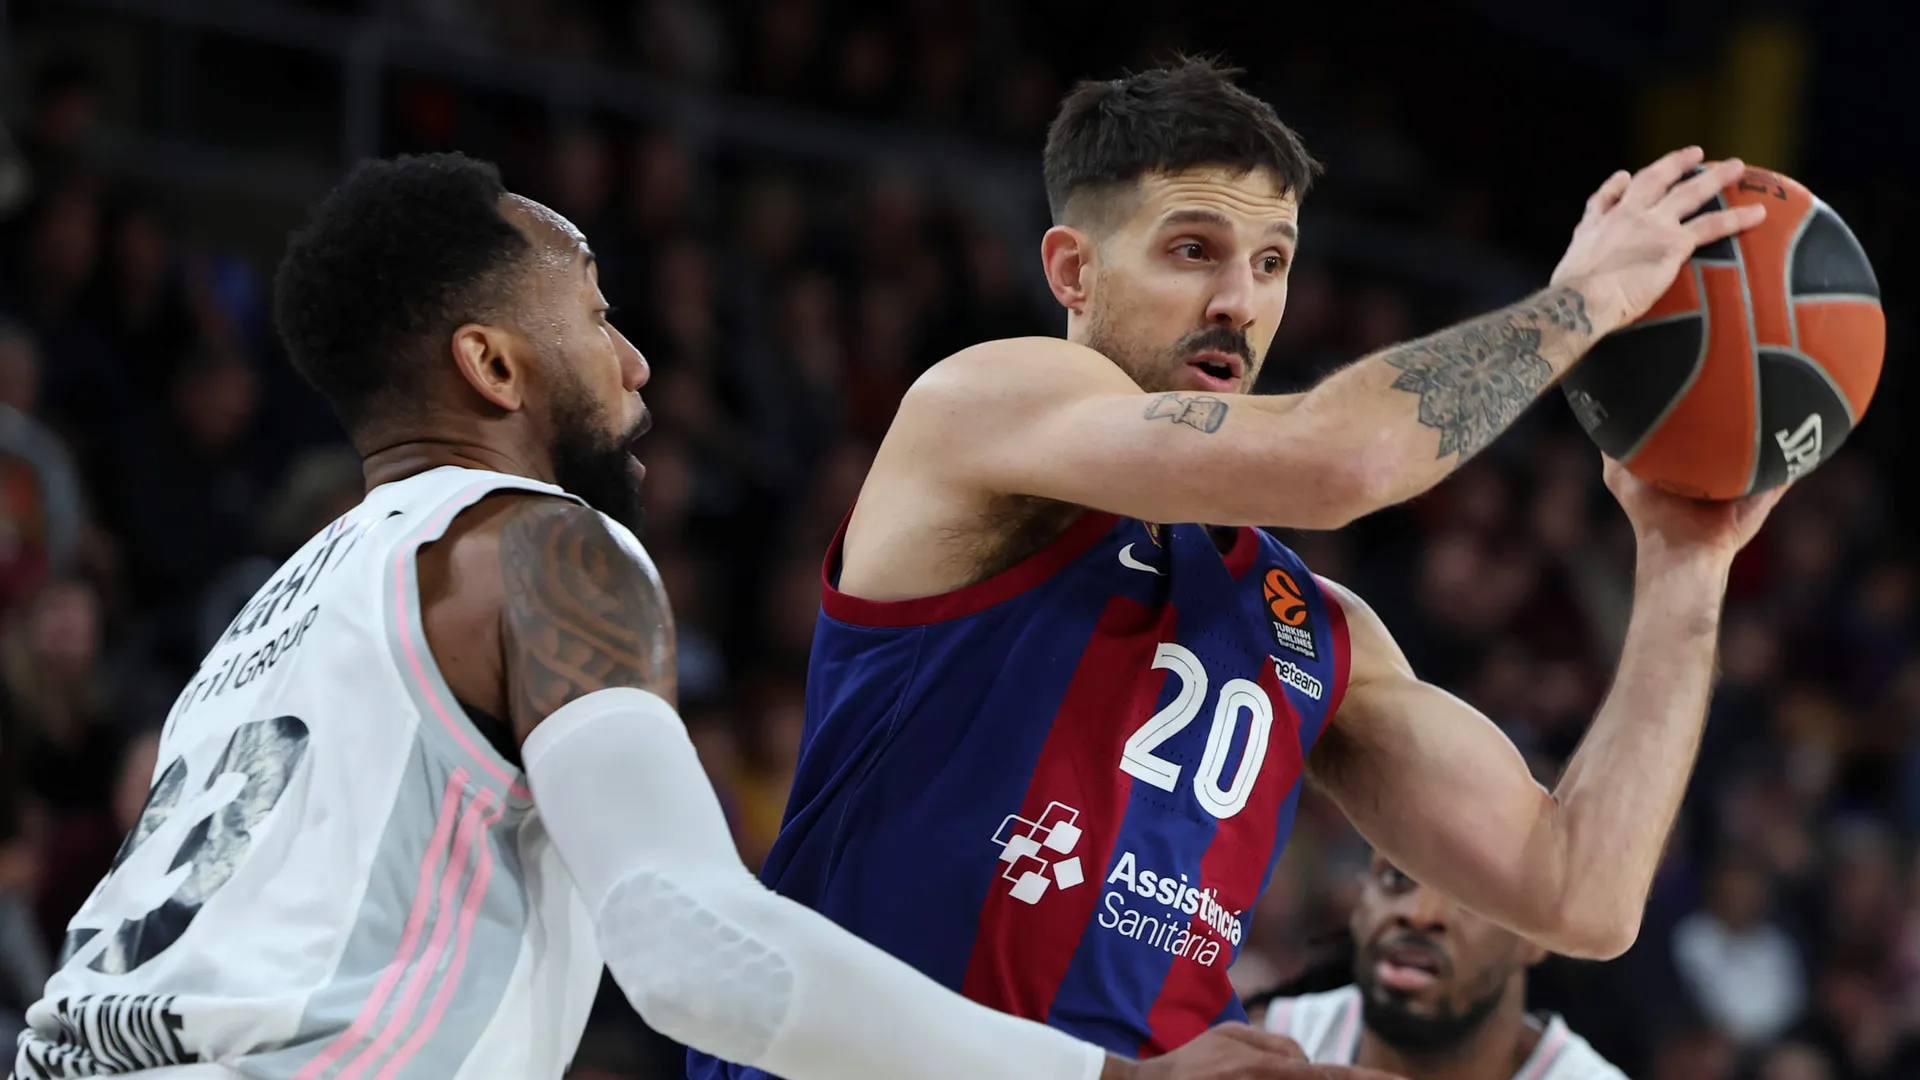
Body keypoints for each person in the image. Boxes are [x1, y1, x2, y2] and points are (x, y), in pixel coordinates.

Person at [11, 154, 1356, 1080]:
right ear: (492, 365)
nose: (637, 360)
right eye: (596, 318)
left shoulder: (273, 616)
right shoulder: (544, 547)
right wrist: (1113, 1077)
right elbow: (692, 950)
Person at [688, 56, 1781, 1077]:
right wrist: (1584, 300)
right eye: (1192, 250)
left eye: (1271, 264)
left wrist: (1685, 565)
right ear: (1072, 269)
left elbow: (1581, 894)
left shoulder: (1317, 628)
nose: (1240, 303)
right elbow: (1347, 460)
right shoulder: (982, 406)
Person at [1246, 851, 1626, 1079]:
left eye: (1470, 891)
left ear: (1536, 938)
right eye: (1396, 876)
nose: (1419, 914)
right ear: (1359, 903)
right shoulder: (1260, 1052)